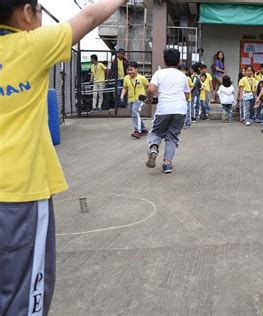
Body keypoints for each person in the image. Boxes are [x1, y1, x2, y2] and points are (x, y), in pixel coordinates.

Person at [0, 0, 127, 314]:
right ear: (26, 12)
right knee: (25, 292)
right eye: (39, 11)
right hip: (19, 190)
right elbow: (89, 15)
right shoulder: (29, 44)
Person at [145, 48, 191, 174]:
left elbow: (150, 89)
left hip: (164, 109)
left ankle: (154, 148)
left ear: (164, 61)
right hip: (180, 109)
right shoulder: (183, 76)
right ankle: (167, 164)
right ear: (179, 61)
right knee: (172, 137)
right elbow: (187, 94)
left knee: (156, 132)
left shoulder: (159, 73)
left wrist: (150, 100)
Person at [120, 61, 149, 138]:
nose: (130, 72)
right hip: (130, 99)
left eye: (131, 70)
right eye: (128, 70)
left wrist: (146, 97)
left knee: (134, 111)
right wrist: (122, 96)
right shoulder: (126, 78)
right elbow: (124, 88)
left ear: (136, 69)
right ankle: (144, 129)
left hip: (140, 98)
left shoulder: (142, 78)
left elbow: (148, 87)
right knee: (134, 114)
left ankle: (137, 131)